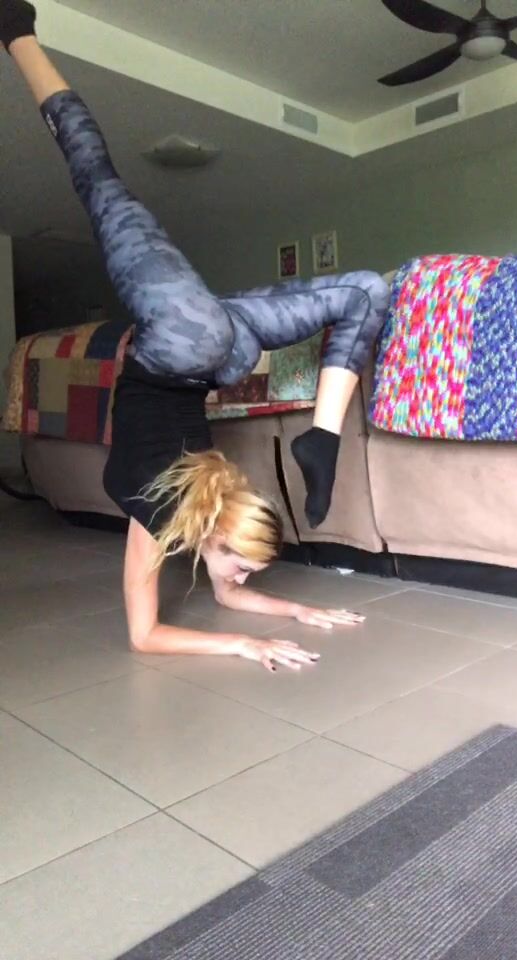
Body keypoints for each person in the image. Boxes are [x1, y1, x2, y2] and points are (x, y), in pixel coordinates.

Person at [2, 0, 390, 670]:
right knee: (94, 174)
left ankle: (321, 438)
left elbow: (221, 599)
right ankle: (16, 32)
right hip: (186, 343)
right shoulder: (170, 512)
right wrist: (243, 642)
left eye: (244, 570)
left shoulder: (202, 502)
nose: (238, 580)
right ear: (222, 533)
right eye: (243, 566)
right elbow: (145, 635)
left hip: (222, 351)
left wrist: (299, 612)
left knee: (365, 292)